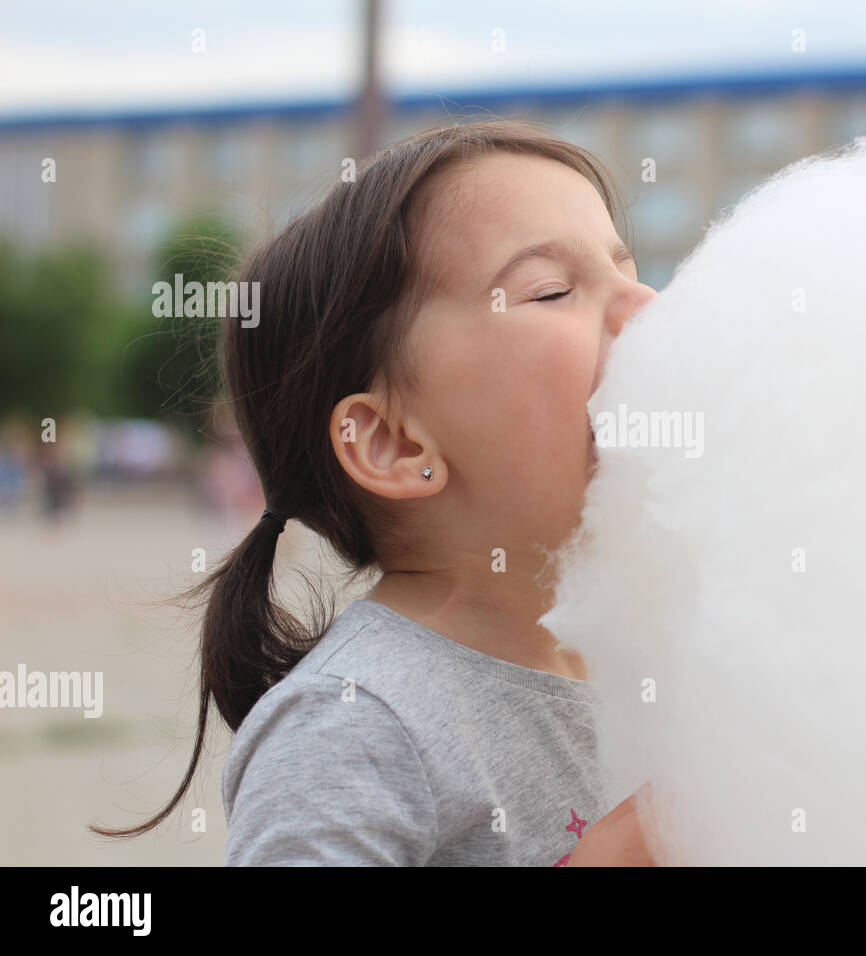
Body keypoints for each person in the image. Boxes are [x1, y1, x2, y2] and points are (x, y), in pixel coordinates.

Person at [88, 120, 658, 866]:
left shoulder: (647, 661)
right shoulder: (356, 724)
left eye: (629, 271)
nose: (646, 305)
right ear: (394, 445)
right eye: (552, 290)